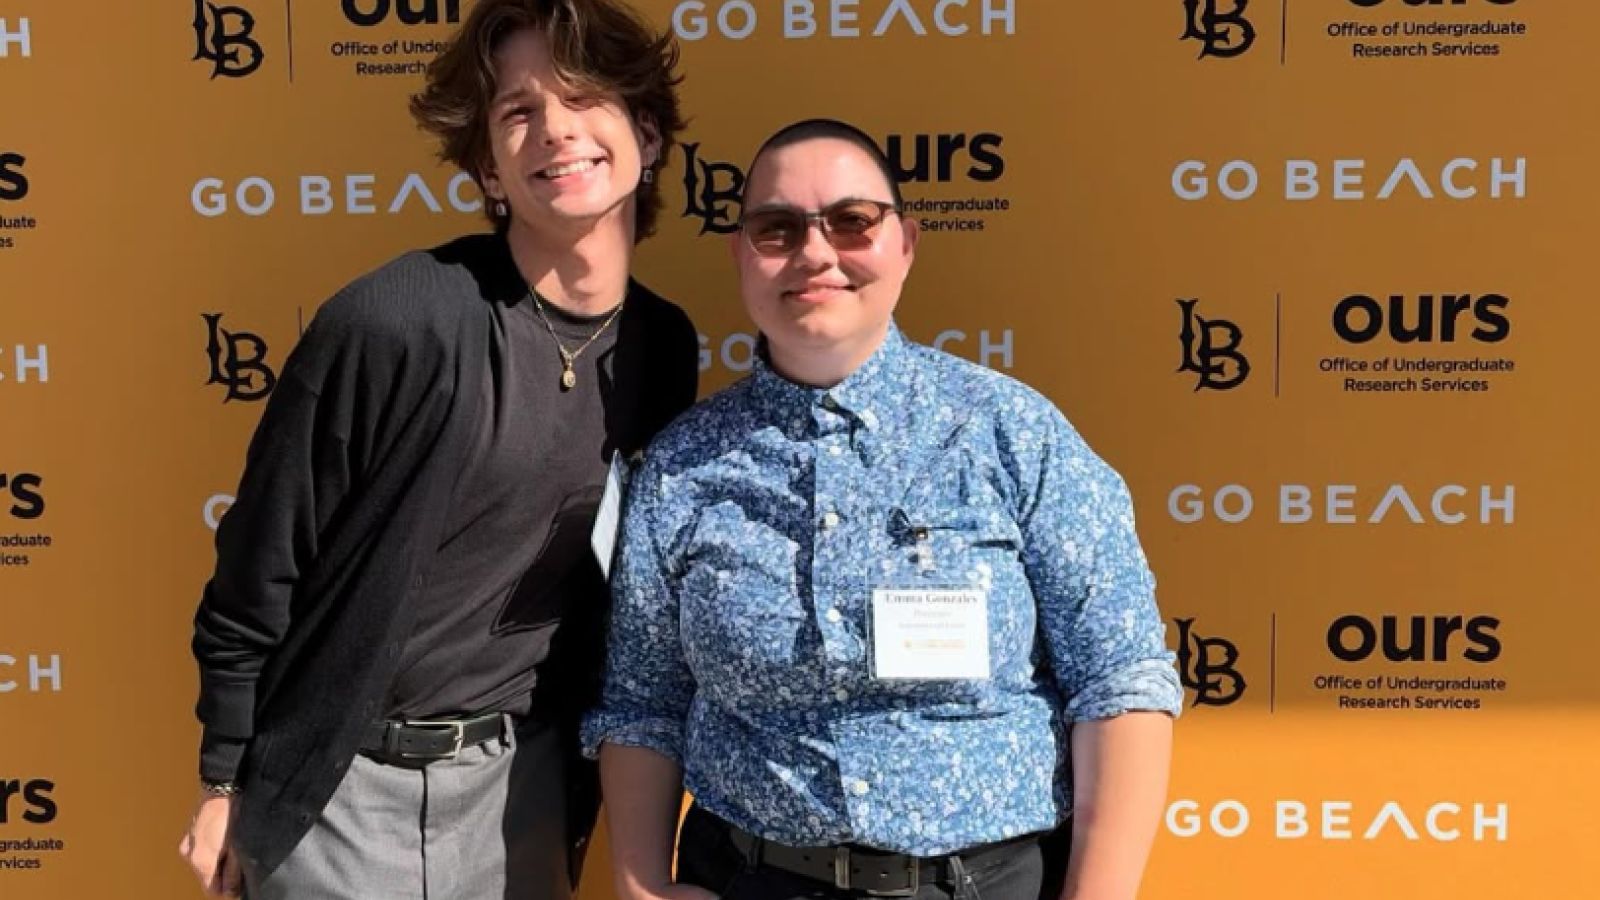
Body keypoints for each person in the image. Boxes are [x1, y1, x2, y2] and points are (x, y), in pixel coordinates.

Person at [583, 118, 1183, 900]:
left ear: (905, 244)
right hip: (751, 880)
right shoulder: (683, 467)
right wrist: (637, 882)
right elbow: (644, 703)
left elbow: (1119, 681)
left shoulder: (1010, 433)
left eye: (852, 221)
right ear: (740, 254)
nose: (816, 252)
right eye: (777, 228)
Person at [176, 1, 698, 898]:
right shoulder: (395, 321)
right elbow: (258, 567)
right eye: (519, 111)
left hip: (521, 787)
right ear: (489, 168)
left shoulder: (664, 348)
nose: (555, 131)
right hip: (343, 791)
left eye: (584, 98)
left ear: (645, 136)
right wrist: (225, 777)